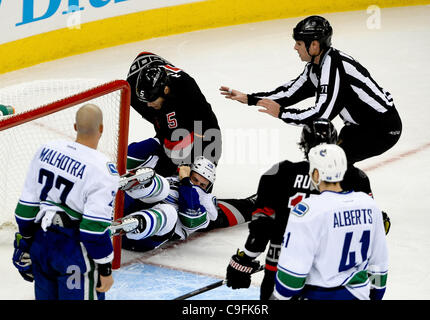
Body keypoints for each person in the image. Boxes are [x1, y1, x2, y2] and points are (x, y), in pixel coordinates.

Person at [219, 15, 402, 192]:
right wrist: (250, 99)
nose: (295, 48)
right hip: (358, 128)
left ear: (314, 45)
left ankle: (365, 210)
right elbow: (288, 92)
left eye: (299, 43)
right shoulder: (316, 66)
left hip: (382, 130)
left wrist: (282, 113)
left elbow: (321, 114)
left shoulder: (334, 66)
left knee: (331, 164)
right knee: (329, 163)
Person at [12, 104, 119, 300]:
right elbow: (93, 229)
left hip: (41, 242)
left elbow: (25, 209)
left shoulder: (47, 150)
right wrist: (105, 268)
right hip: (73, 249)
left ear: (75, 127)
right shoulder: (103, 169)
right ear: (101, 128)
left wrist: (25, 244)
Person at [225, 118, 336, 300]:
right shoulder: (353, 179)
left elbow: (262, 226)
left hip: (281, 265)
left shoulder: (279, 172)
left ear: (304, 144)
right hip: (329, 272)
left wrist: (244, 260)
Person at [271, 143, 388, 300]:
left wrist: (278, 296)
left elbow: (291, 282)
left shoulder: (308, 210)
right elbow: (379, 264)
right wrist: (375, 295)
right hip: (359, 294)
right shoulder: (369, 204)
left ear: (317, 174)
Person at [112, 156, 255, 252]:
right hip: (121, 211)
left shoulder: (206, 208)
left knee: (169, 212)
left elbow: (190, 218)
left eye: (203, 184)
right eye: (194, 179)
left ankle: (137, 224)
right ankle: (134, 184)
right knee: (163, 188)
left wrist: (187, 182)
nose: (198, 185)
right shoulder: (173, 180)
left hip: (140, 239)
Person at [126, 52, 222, 178]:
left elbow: (204, 127)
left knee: (201, 177)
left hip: (203, 128)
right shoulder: (134, 93)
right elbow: (144, 55)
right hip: (172, 125)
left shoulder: (187, 91)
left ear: (165, 90)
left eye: (152, 100)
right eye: (146, 101)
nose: (148, 105)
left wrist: (189, 163)